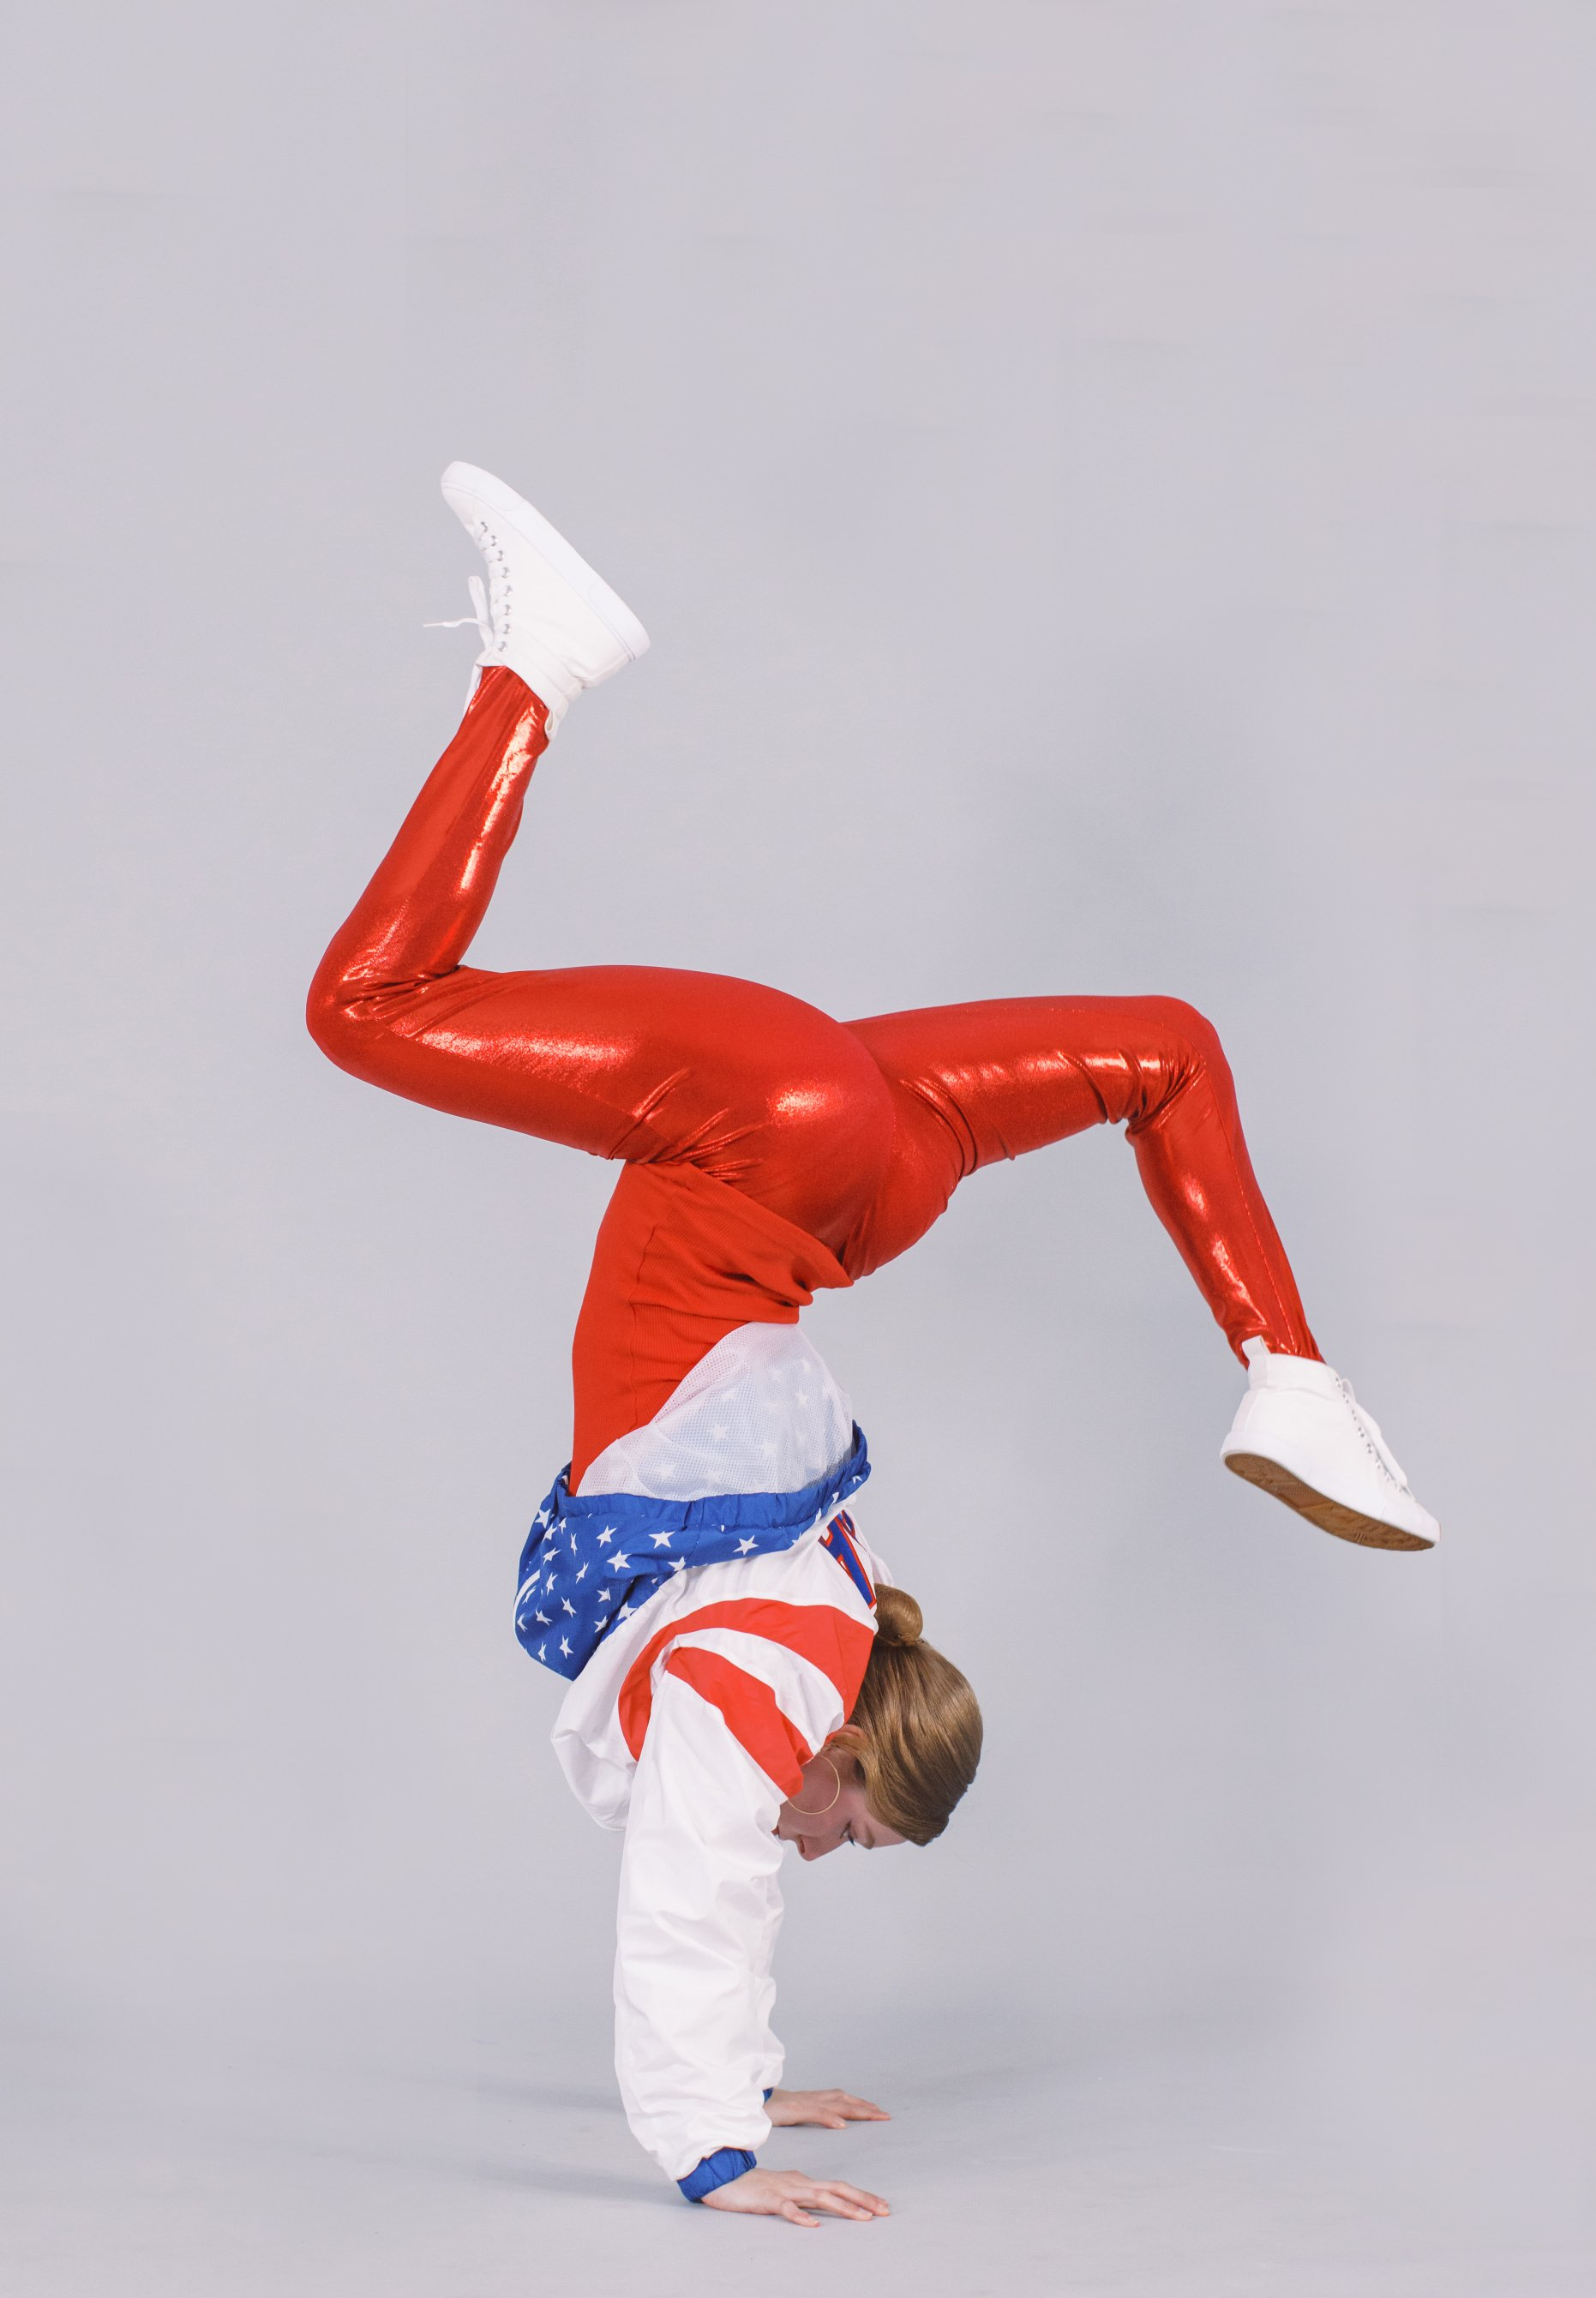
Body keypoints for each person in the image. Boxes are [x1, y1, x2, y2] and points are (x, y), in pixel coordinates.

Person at [307, 462, 1440, 2230]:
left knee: (1164, 1047)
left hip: (865, 1180)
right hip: (768, 1128)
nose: (812, 1846)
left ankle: (1294, 1370)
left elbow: (730, 1878)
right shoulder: (771, 1671)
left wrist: (755, 2077)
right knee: (368, 1009)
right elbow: (697, 1894)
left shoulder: (827, 1594)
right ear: (843, 1753)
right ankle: (536, 670)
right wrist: (715, 2146)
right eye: (847, 1829)